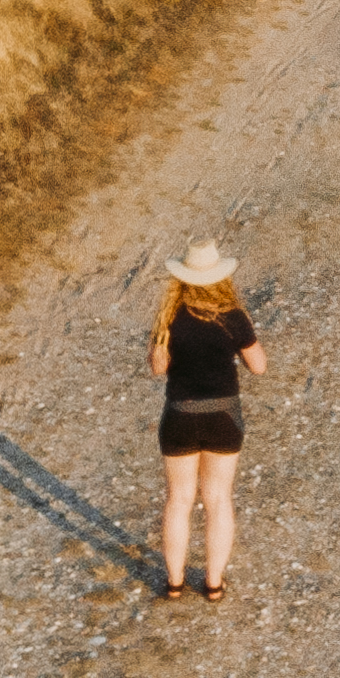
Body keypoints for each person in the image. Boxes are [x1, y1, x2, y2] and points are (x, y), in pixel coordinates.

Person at [149, 242, 264, 600]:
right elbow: (259, 366)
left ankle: (174, 582)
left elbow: (158, 368)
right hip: (223, 415)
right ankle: (213, 583)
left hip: (180, 414)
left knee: (179, 499)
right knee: (218, 499)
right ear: (221, 276)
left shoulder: (170, 315)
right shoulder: (234, 317)